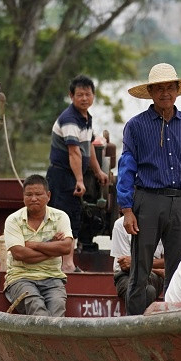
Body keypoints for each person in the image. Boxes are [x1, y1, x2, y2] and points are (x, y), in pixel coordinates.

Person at [117, 63, 181, 315]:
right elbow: (127, 166)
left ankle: (171, 320)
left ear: (178, 91)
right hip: (147, 200)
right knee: (140, 267)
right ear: (150, 92)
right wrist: (127, 209)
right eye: (159, 89)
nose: (165, 94)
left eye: (169, 88)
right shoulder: (136, 126)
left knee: (179, 266)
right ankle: (133, 323)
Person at [46, 74, 110, 272]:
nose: (84, 98)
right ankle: (65, 265)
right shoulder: (69, 120)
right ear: (71, 96)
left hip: (72, 175)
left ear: (93, 96)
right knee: (63, 218)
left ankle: (66, 263)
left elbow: (88, 146)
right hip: (62, 176)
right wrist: (80, 180)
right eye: (80, 95)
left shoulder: (86, 118)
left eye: (88, 94)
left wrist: (98, 171)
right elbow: (74, 152)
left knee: (73, 218)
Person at [2, 175, 73, 317]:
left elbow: (66, 248)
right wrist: (53, 247)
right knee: (35, 305)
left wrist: (34, 245)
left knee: (58, 308)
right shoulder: (13, 220)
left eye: (38, 194)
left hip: (52, 277)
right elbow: (20, 255)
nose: (33, 198)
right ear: (23, 197)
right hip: (20, 277)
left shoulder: (60, 217)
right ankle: (46, 338)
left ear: (48, 196)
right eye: (29, 194)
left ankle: (49, 338)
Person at [109, 215, 164, 303]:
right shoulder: (121, 224)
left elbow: (169, 261)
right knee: (145, 291)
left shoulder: (163, 223)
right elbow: (125, 265)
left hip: (153, 276)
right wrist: (159, 270)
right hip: (126, 275)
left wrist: (136, 262)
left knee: (148, 291)